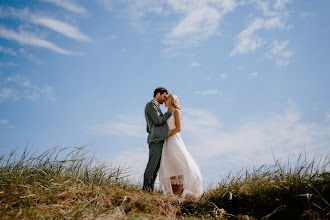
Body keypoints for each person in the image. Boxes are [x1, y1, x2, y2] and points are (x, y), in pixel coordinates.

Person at [159, 94, 203, 197]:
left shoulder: (176, 112)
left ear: (172, 100)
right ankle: (174, 195)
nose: (165, 100)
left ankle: (180, 193)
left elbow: (178, 129)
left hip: (174, 140)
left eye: (167, 99)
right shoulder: (167, 113)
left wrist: (166, 134)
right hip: (167, 142)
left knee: (179, 164)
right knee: (170, 166)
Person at [143, 87, 175, 192]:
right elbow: (157, 121)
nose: (165, 99)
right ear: (158, 94)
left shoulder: (157, 107)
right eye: (164, 96)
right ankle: (146, 190)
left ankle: (150, 191)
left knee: (156, 168)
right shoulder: (150, 105)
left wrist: (155, 134)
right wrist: (169, 113)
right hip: (155, 141)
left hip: (158, 140)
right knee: (152, 166)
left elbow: (149, 127)